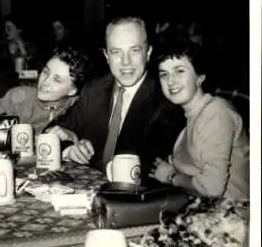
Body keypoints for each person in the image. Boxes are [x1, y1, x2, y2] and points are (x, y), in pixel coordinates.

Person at [47, 16, 186, 183]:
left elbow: (150, 165)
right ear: (106, 56)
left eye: (134, 50)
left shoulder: (166, 98)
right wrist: (70, 148)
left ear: (148, 53)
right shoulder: (95, 89)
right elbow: (53, 130)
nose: (125, 62)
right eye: (116, 52)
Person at [149, 40, 249, 199]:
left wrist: (171, 177)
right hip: (204, 209)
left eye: (180, 71)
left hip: (230, 214)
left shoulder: (216, 113)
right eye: (164, 74)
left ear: (200, 77)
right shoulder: (192, 115)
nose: (170, 81)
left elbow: (212, 188)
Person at [0, 47, 90, 134]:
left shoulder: (79, 108)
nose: (45, 82)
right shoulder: (18, 98)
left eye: (56, 80)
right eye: (46, 72)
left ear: (72, 91)